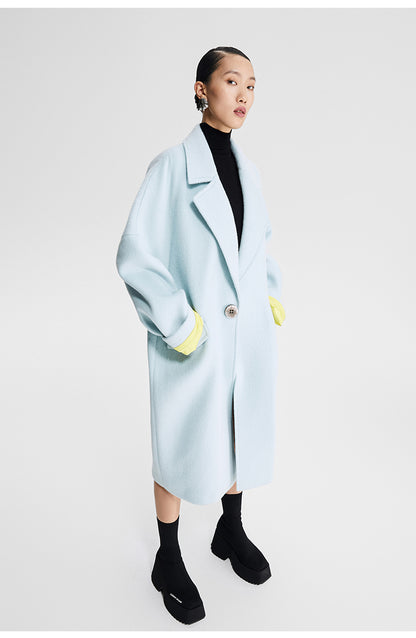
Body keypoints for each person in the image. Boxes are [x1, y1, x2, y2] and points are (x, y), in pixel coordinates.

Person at [116, 46, 286, 625]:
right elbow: (136, 253)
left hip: (244, 337)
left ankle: (229, 530)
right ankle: (167, 559)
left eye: (252, 85)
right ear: (201, 89)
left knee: (237, 430)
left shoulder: (249, 171)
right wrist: (179, 323)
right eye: (232, 81)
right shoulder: (170, 166)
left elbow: (259, 244)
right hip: (195, 340)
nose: (244, 95)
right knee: (178, 443)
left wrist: (269, 294)